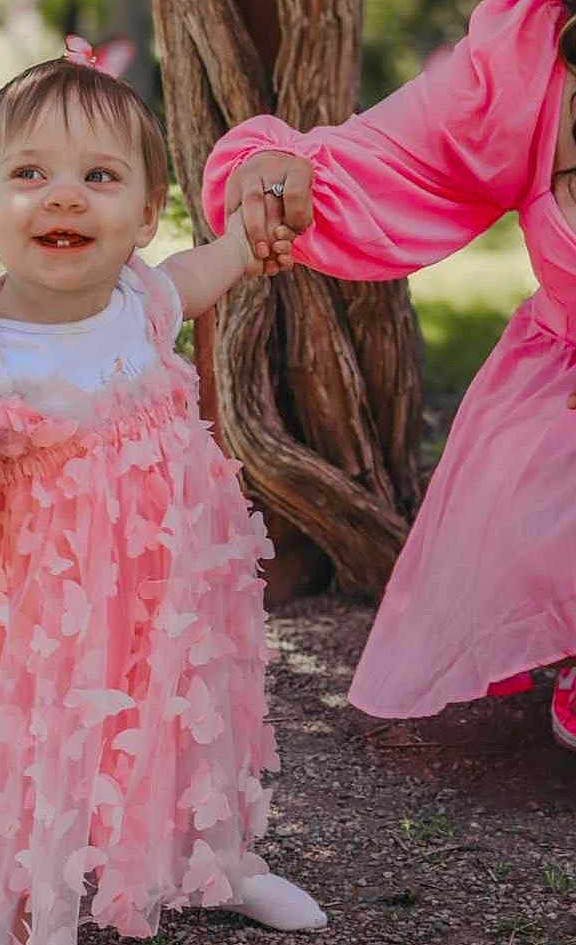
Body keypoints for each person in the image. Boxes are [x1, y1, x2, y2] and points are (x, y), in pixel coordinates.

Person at [0, 41, 327, 945]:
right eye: (29, 174)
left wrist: (241, 248)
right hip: (42, 614)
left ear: (143, 215)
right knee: (33, 751)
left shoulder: (137, 297)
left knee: (180, 713)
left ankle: (217, 859)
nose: (62, 195)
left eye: (98, 176)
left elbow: (193, 279)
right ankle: (15, 907)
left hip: (162, 585)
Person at [202, 0, 576, 748]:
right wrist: (280, 171)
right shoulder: (531, 53)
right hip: (562, 387)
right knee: (540, 485)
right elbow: (398, 157)